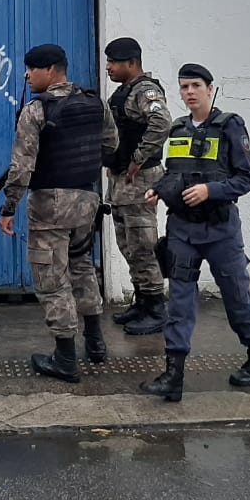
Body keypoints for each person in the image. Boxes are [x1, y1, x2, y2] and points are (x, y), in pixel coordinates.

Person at [138, 63, 250, 402]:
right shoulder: (179, 128)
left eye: (196, 85)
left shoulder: (230, 126)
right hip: (182, 229)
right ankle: (174, 375)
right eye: (184, 87)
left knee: (236, 297)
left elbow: (246, 179)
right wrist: (158, 189)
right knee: (180, 303)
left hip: (220, 230)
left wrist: (210, 191)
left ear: (211, 89)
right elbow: (174, 172)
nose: (189, 92)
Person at [0, 43, 119, 383]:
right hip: (87, 202)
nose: (26, 75)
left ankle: (65, 358)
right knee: (82, 268)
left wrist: (9, 209)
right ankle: (95, 344)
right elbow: (111, 146)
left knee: (52, 281)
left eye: (31, 69)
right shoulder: (96, 102)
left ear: (51, 70)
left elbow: (21, 168)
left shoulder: (37, 111)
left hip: (50, 205)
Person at [101, 37, 172, 336]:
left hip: (138, 182)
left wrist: (139, 158)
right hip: (121, 182)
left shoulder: (145, 91)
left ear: (131, 63)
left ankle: (156, 307)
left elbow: (162, 121)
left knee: (143, 245)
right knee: (128, 245)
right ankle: (142, 301)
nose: (108, 67)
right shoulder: (124, 93)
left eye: (113, 62)